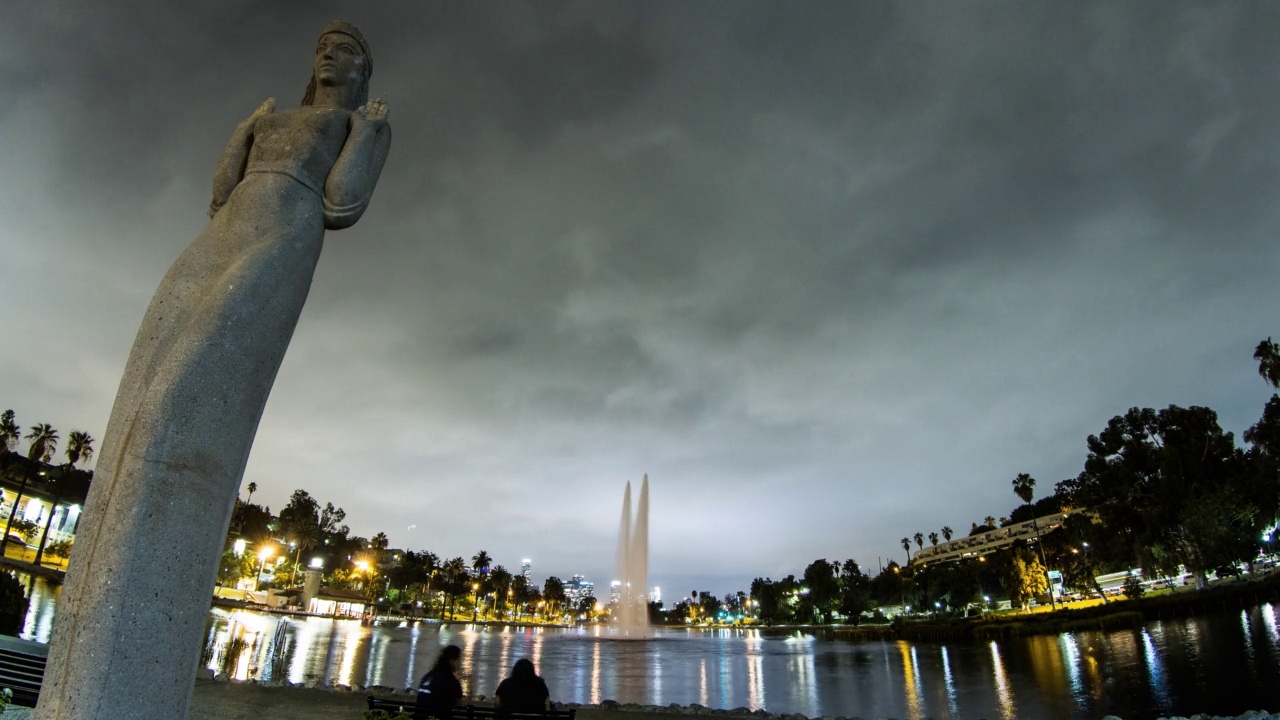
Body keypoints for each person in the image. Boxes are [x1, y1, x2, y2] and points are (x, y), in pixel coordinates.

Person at [417, 644, 464, 719]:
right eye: (459, 660)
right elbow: (458, 704)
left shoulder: (427, 677)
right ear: (452, 661)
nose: (460, 664)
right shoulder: (450, 681)